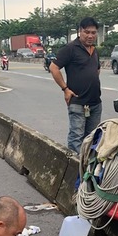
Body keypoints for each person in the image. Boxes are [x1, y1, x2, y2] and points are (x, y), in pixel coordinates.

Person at [49, 17, 102, 154]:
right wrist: (65, 89)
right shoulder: (71, 48)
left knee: (92, 139)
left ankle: (87, 170)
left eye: (93, 32)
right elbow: (54, 68)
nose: (90, 36)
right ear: (80, 32)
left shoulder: (94, 50)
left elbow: (97, 69)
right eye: (87, 32)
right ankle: (74, 169)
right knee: (76, 138)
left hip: (95, 103)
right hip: (78, 102)